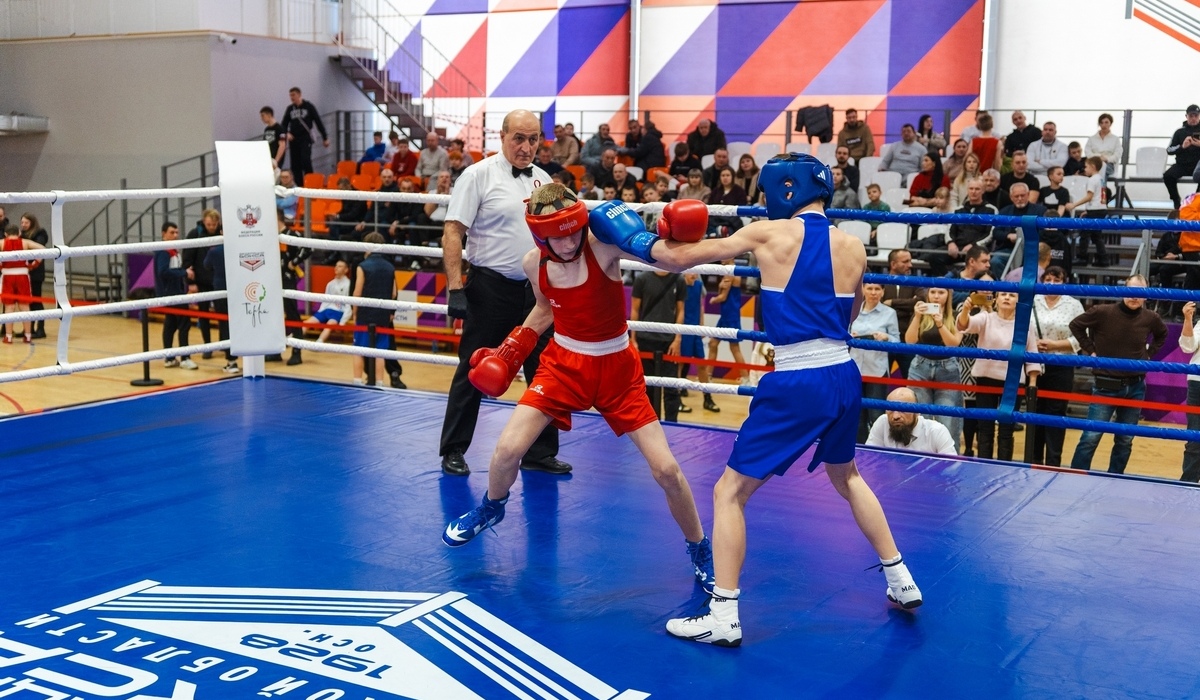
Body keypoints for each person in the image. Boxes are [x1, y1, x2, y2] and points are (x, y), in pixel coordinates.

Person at [587, 152, 922, 646]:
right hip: (843, 372)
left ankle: (723, 615)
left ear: (785, 190)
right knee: (847, 476)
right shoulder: (854, 245)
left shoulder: (768, 233)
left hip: (798, 380)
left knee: (729, 492)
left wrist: (631, 234)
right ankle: (901, 579)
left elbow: (677, 259)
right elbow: (850, 315)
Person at [441, 184, 715, 594]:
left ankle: (699, 548)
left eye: (574, 231)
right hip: (563, 366)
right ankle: (491, 507)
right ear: (540, 236)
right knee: (507, 450)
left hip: (617, 371)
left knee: (667, 471)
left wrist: (676, 238)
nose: (569, 242)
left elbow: (671, 261)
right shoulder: (534, 264)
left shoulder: (603, 246)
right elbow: (545, 308)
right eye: (559, 236)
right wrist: (511, 350)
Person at [438, 109, 570, 477]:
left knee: (543, 369)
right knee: (474, 368)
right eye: (519, 138)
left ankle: (540, 452)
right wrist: (455, 288)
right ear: (503, 136)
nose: (526, 147)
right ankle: (453, 449)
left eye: (533, 139)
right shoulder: (477, 175)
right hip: (489, 288)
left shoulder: (543, 180)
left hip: (536, 293)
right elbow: (453, 232)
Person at [1069, 275, 1168, 473]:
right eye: (1131, 291)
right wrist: (1091, 350)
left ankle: (1115, 479)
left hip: (1136, 385)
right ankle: (1076, 476)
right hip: (1106, 384)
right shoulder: (1102, 311)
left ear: (1146, 295)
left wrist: (1149, 354)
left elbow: (1162, 334)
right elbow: (1075, 325)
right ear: (1123, 290)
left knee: (1125, 439)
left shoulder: (1151, 317)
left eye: (1140, 293)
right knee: (1091, 436)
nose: (1134, 296)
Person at [956, 291, 1041, 461]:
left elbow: (1032, 353)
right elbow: (965, 325)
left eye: (1012, 295)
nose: (1007, 297)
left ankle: (1005, 467)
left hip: (1012, 381)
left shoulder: (1025, 324)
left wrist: (1032, 383)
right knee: (985, 427)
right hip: (985, 379)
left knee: (1006, 429)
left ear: (1018, 301)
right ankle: (983, 466)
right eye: (1003, 294)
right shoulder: (986, 318)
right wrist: (965, 309)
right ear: (996, 299)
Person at [1030, 267, 1084, 466]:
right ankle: (1034, 459)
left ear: (1064, 282)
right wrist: (1032, 343)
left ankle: (1053, 462)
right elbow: (1019, 329)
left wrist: (1054, 345)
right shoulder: (1032, 300)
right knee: (1035, 411)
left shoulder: (1074, 304)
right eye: (1048, 279)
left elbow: (1082, 337)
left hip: (1062, 364)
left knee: (1056, 413)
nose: (1051, 283)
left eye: (1057, 280)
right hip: (1034, 364)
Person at [905, 286, 963, 452]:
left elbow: (953, 344)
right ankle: (920, 459)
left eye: (941, 292)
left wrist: (940, 324)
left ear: (948, 295)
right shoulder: (921, 313)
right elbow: (910, 341)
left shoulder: (956, 315)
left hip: (948, 369)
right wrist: (917, 316)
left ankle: (951, 463)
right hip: (920, 367)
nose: (936, 296)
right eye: (933, 292)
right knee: (920, 419)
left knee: (948, 420)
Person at [631, 269, 686, 421]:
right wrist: (633, 339)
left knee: (671, 388)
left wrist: (677, 339)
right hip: (645, 339)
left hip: (669, 342)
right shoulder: (642, 279)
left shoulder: (678, 280)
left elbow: (680, 311)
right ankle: (650, 424)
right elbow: (634, 309)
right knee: (647, 389)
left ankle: (672, 426)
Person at [850, 282, 899, 442]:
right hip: (855, 368)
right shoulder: (853, 310)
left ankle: (878, 450)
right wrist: (849, 336)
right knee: (856, 415)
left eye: (877, 289)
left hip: (877, 370)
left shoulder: (889, 313)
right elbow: (841, 335)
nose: (873, 292)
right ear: (863, 289)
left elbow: (897, 341)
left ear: (883, 292)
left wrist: (886, 337)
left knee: (876, 415)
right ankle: (858, 450)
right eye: (869, 288)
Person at [350, 232, 395, 385]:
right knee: (380, 351)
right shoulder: (390, 267)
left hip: (365, 313)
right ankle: (380, 383)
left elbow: (357, 292)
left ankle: (357, 382)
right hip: (382, 313)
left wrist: (354, 312)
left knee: (358, 349)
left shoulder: (363, 266)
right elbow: (394, 292)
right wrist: (390, 312)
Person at [154, 221, 196, 369]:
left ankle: (169, 358)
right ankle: (185, 358)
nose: (175, 235)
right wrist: (184, 273)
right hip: (172, 294)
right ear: (163, 234)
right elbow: (163, 271)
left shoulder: (173, 251)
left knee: (170, 324)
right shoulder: (163, 251)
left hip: (176, 292)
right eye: (172, 232)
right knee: (184, 324)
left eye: (177, 232)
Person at [866, 387, 957, 455]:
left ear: (917, 412)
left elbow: (952, 469)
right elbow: (869, 459)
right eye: (890, 409)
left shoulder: (936, 432)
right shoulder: (882, 423)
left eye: (902, 409)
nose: (895, 416)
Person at [183, 209, 221, 357]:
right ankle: (207, 346)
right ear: (204, 221)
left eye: (214, 224)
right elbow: (187, 259)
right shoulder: (195, 234)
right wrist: (190, 282)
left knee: (223, 314)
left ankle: (224, 344)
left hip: (219, 281)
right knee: (203, 315)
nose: (211, 227)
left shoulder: (223, 233)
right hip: (202, 281)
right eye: (209, 224)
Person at [1, 223, 45, 344]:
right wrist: (34, 264)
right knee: (25, 306)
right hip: (23, 276)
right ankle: (28, 335)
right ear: (19, 233)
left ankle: (8, 336)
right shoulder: (25, 242)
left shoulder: (2, 243)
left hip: (7, 276)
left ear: (5, 234)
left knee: (9, 307)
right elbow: (43, 249)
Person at [880, 249, 917, 377]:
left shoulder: (915, 282)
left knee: (911, 381)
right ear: (893, 264)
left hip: (907, 340)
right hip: (885, 339)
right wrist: (908, 308)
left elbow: (919, 301)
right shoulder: (881, 282)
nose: (910, 265)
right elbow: (878, 305)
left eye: (910, 261)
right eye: (905, 262)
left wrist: (892, 303)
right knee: (880, 381)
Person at [280, 87, 329, 182]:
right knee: (295, 164)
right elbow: (283, 124)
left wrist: (325, 137)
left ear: (299, 94)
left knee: (305, 159)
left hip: (305, 138)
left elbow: (318, 121)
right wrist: (287, 133)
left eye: (293, 95)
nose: (291, 97)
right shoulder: (290, 109)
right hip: (294, 139)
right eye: (290, 95)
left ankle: (310, 181)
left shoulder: (309, 106)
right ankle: (299, 184)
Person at [1067, 156, 1109, 267]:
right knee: (1096, 236)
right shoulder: (1101, 178)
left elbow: (1089, 196)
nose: (1084, 169)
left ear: (1093, 167)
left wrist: (1074, 205)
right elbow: (1099, 197)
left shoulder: (1092, 180)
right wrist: (1088, 211)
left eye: (1086, 167)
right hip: (1100, 209)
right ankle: (1103, 259)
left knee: (1084, 234)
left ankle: (1082, 258)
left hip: (1095, 210)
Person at [304, 259, 353, 343]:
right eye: (336, 266)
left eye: (340, 266)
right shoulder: (330, 284)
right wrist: (320, 312)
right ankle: (294, 340)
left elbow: (349, 305)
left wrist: (342, 322)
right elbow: (325, 301)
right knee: (307, 322)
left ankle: (319, 343)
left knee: (329, 325)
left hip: (338, 311)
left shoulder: (348, 284)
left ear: (346, 270)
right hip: (326, 310)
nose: (336, 268)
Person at [1178, 301, 1200, 482]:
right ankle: (1188, 484)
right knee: (1194, 437)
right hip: (1198, 382)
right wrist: (1188, 319)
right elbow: (1188, 347)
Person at [19, 213, 49, 339]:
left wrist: (24, 242)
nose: (23, 225)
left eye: (26, 222)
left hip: (36, 272)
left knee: (37, 300)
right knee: (28, 302)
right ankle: (29, 328)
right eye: (22, 222)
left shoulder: (40, 233)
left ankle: (41, 329)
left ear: (32, 222)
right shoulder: (22, 234)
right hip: (25, 272)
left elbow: (38, 247)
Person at [1166, 105, 1200, 209]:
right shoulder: (1179, 132)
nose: (1193, 118)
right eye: (1191, 116)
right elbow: (1169, 150)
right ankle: (1176, 200)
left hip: (1198, 166)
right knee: (1168, 176)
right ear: (1186, 116)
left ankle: (1196, 202)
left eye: (1196, 116)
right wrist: (1182, 146)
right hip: (1182, 165)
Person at [260, 106, 287, 174]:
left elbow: (282, 145)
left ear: (269, 115)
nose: (261, 118)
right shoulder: (267, 129)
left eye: (263, 116)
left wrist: (276, 161)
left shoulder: (280, 129)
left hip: (275, 158)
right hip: (268, 158)